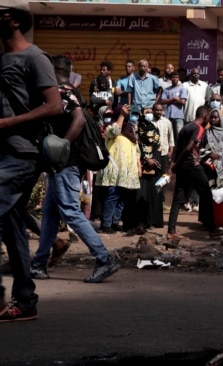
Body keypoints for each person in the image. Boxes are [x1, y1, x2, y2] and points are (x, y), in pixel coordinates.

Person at [30, 55, 120, 283]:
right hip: (60, 164)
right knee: (50, 213)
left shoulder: (61, 92)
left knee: (70, 211)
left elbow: (78, 120)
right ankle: (39, 264)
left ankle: (103, 258)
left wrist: (62, 146)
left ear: (52, 70)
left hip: (66, 163)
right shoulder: (70, 90)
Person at [0, 0, 63, 322]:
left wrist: (9, 123)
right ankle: (24, 301)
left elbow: (55, 105)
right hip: (4, 151)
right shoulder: (2, 58)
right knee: (11, 228)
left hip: (21, 153)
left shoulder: (34, 56)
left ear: (11, 20)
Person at [167, 106, 221, 240]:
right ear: (205, 116)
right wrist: (177, 163)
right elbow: (188, 147)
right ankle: (212, 230)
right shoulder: (198, 128)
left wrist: (173, 165)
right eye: (209, 116)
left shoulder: (185, 128)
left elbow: (178, 148)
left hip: (182, 168)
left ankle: (171, 231)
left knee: (178, 199)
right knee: (206, 195)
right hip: (192, 166)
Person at [95, 105, 141, 234]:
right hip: (115, 169)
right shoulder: (110, 127)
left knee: (122, 198)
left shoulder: (130, 130)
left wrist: (139, 166)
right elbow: (115, 131)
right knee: (112, 196)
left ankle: (115, 222)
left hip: (127, 171)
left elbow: (137, 150)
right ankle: (106, 224)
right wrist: (121, 115)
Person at [160, 70, 187, 142]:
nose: (175, 79)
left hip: (179, 116)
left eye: (176, 77)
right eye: (173, 77)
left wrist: (170, 100)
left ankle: (179, 152)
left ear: (179, 78)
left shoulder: (182, 89)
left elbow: (183, 102)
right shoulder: (166, 90)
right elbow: (162, 101)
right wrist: (174, 99)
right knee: (169, 135)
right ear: (170, 78)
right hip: (168, 115)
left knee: (179, 135)